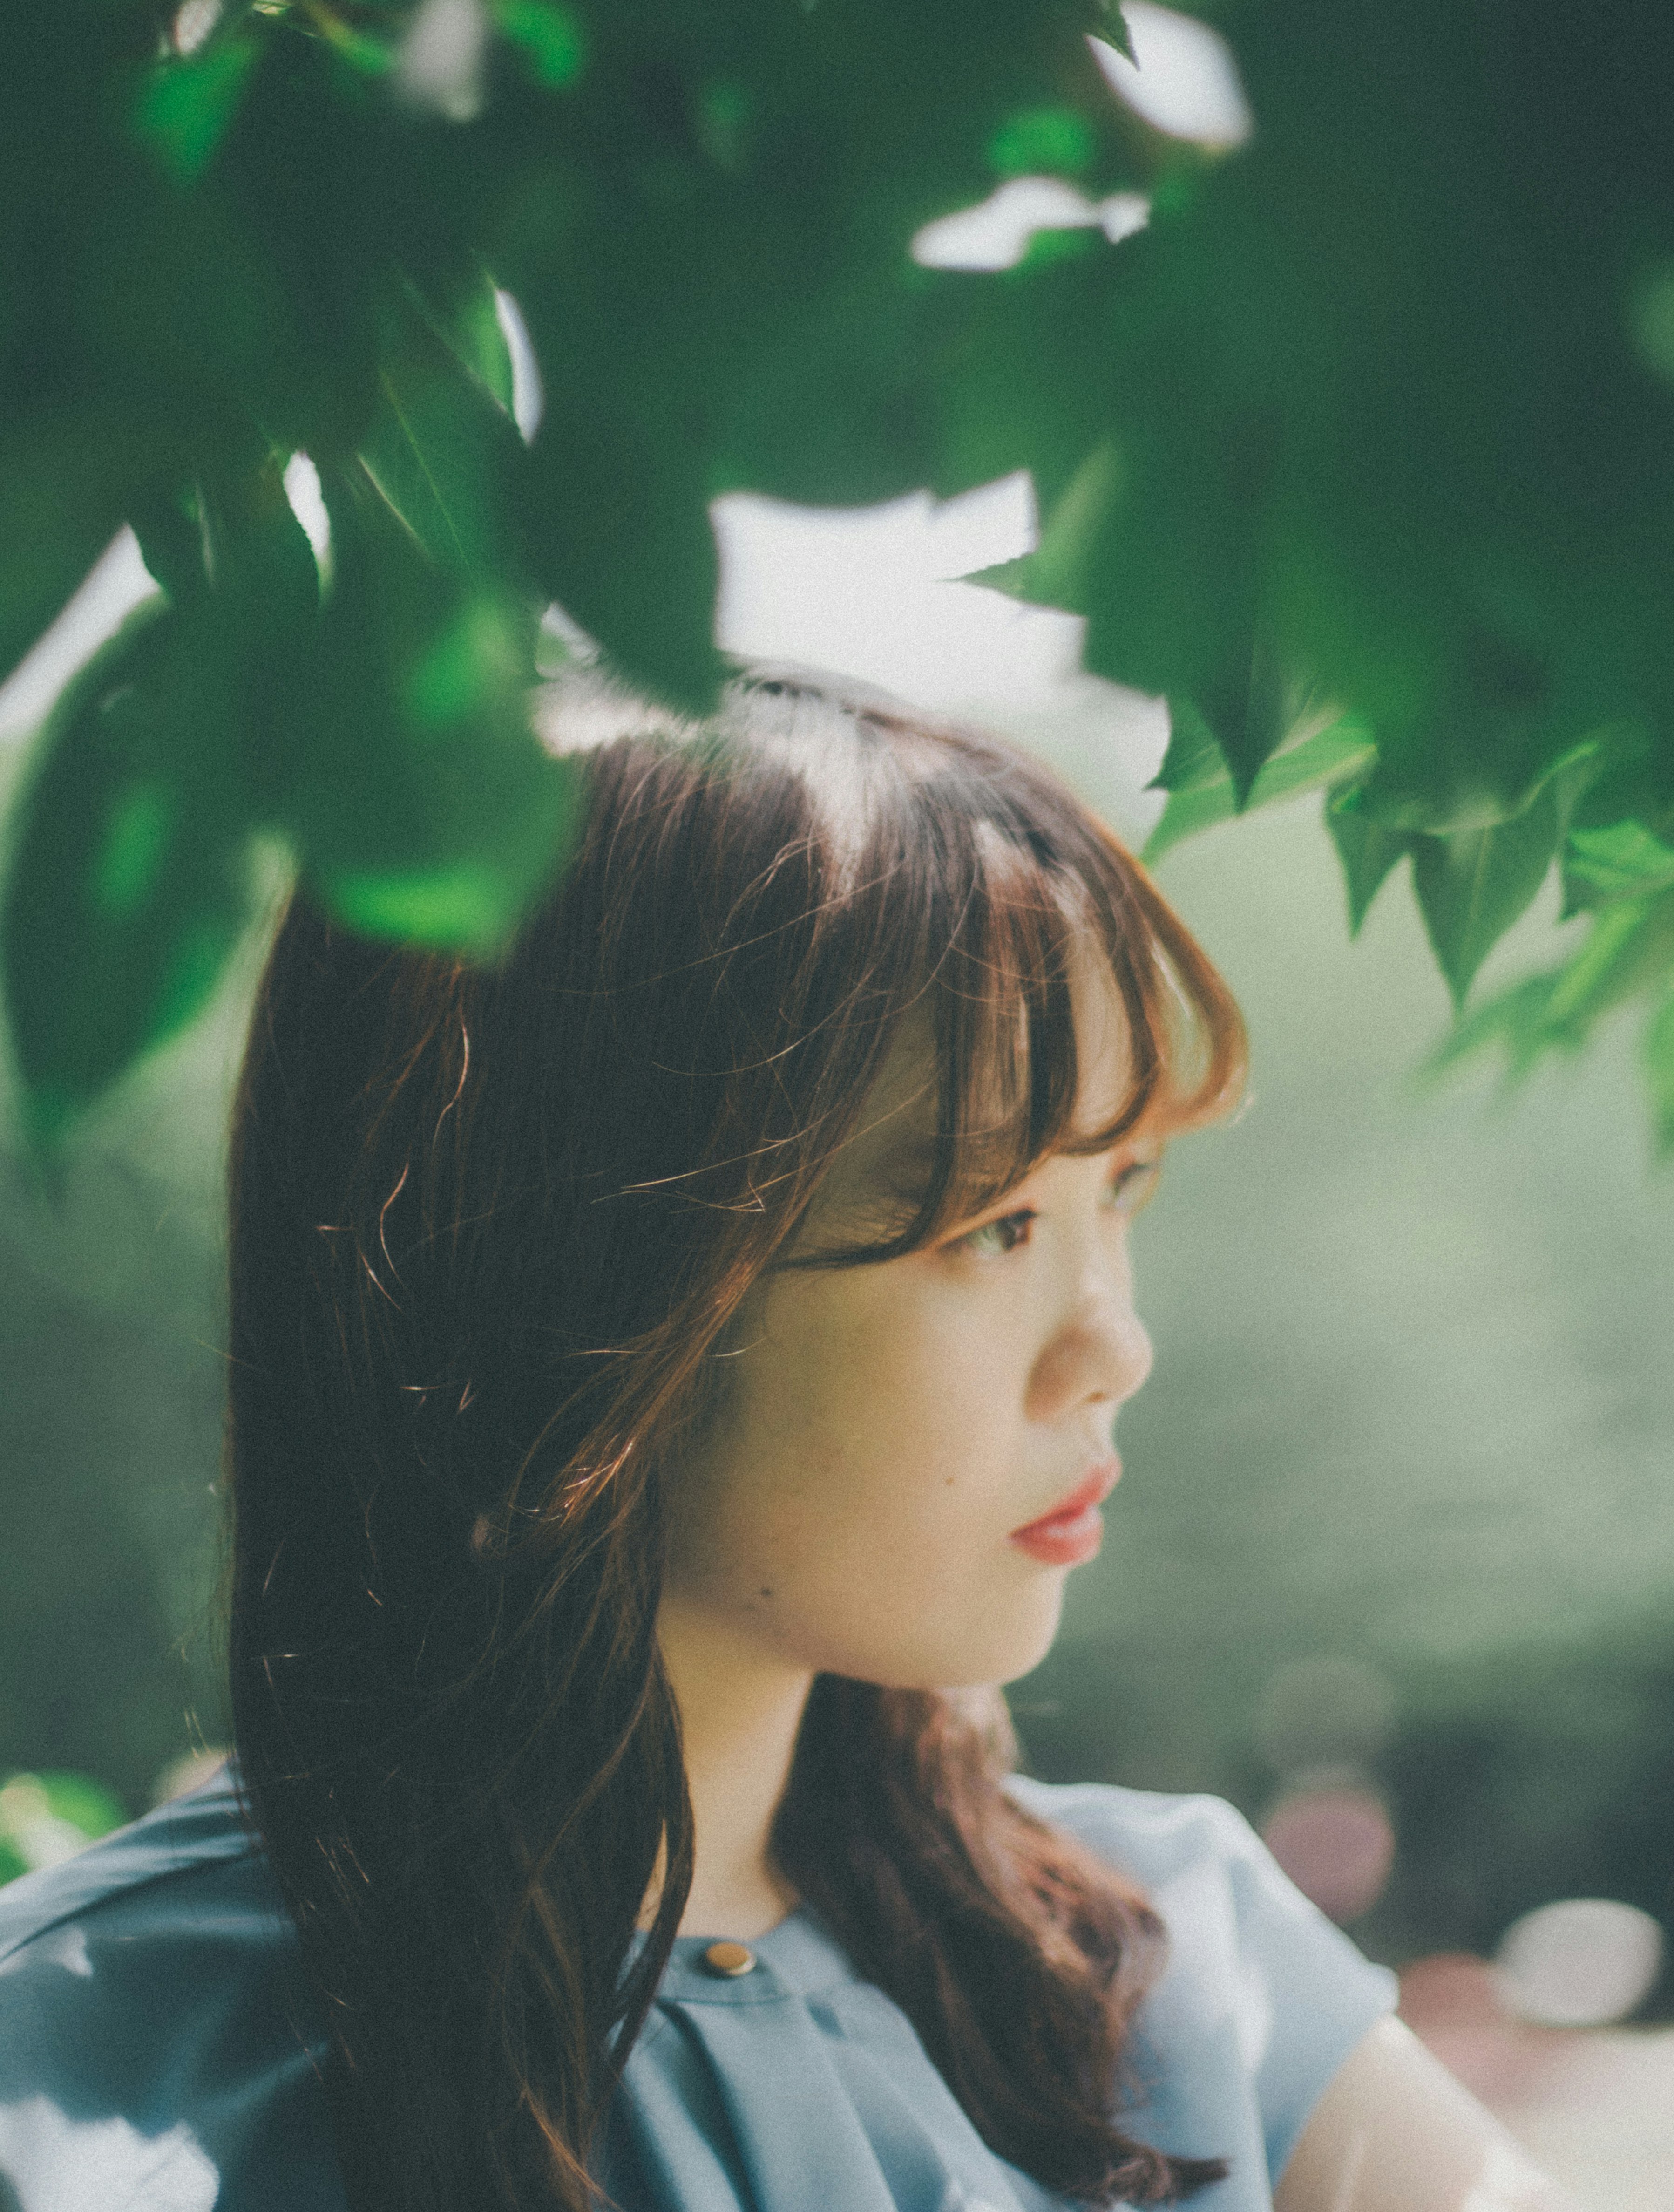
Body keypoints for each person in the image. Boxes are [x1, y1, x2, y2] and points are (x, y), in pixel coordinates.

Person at [0, 671, 1572, 2212]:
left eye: (1123, 1195)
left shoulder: (1174, 1979)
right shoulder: (93, 2080)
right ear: (582, 1271)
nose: (1116, 1346)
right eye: (997, 1223)